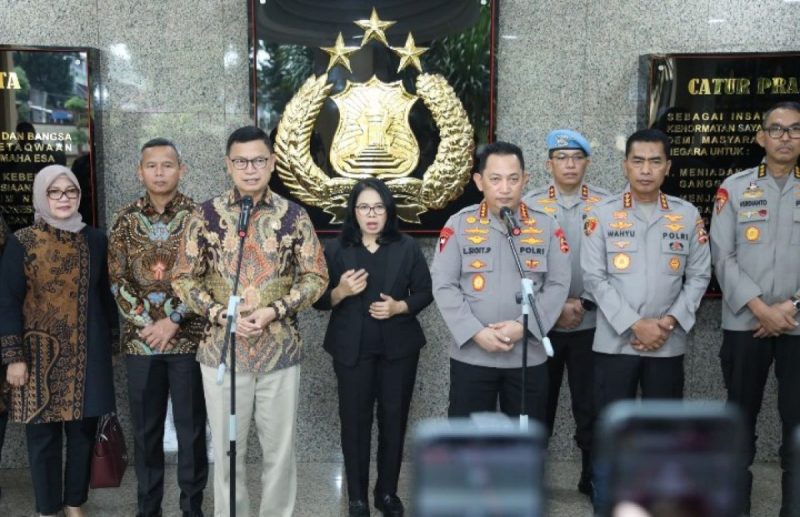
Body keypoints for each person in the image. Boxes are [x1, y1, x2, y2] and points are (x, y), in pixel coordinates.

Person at [172, 125, 328, 517]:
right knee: (227, 453)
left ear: (272, 163)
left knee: (279, 453)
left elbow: (316, 277)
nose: (250, 169)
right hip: (223, 354)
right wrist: (219, 312)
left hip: (279, 351)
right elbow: (182, 277)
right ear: (228, 165)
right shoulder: (205, 215)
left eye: (258, 160)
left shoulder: (294, 216)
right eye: (241, 162)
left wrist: (277, 309)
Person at [580, 129, 710, 507]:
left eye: (655, 161)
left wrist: (666, 323)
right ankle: (607, 504)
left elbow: (699, 275)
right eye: (638, 161)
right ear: (625, 165)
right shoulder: (602, 214)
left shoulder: (686, 214)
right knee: (609, 428)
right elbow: (594, 278)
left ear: (668, 166)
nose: (646, 170)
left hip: (667, 345)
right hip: (614, 343)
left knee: (663, 430)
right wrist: (635, 324)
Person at [0, 165, 116, 517]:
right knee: (43, 439)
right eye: (55, 192)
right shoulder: (22, 241)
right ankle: (48, 508)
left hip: (87, 352)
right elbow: (7, 301)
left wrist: (113, 342)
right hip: (38, 355)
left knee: (82, 434)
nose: (64, 198)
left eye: (71, 191)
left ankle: (74, 502)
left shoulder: (95, 240)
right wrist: (13, 357)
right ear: (42, 195)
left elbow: (104, 296)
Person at [314, 178, 433, 517]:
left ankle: (387, 493)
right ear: (353, 211)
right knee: (354, 423)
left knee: (393, 420)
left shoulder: (406, 247)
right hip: (352, 351)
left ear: (389, 211)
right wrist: (340, 291)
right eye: (364, 207)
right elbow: (317, 300)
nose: (371, 214)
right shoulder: (336, 249)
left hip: (399, 350)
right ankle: (357, 497)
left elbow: (425, 292)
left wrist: (400, 307)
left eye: (378, 207)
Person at [431, 141, 570, 421]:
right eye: (495, 179)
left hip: (527, 357)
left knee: (526, 440)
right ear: (479, 181)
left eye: (513, 179)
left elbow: (558, 284)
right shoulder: (459, 224)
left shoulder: (546, 225)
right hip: (473, 355)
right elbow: (444, 284)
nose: (505, 188)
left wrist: (523, 327)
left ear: (525, 180)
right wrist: (476, 332)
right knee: (467, 439)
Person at [710, 100, 800, 516]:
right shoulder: (735, 187)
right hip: (745, 323)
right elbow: (721, 255)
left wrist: (790, 308)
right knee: (740, 415)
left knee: (796, 421)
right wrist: (761, 309)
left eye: (795, 129)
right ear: (761, 137)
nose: (786, 137)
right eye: (777, 129)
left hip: (797, 325)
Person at [109, 138, 208, 517]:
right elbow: (117, 280)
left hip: (188, 341)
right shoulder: (124, 220)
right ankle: (148, 509)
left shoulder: (200, 217)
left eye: (167, 165)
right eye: (152, 166)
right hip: (141, 344)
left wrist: (174, 320)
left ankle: (191, 508)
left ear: (181, 170)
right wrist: (148, 324)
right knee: (146, 431)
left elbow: (206, 276)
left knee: (191, 429)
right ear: (140, 172)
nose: (160, 172)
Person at [522, 129, 609, 497]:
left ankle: (591, 474)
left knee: (591, 404)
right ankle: (534, 477)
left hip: (591, 322)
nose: (569, 164)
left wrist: (584, 302)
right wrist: (554, 309)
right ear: (549, 164)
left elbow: (613, 263)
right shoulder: (529, 205)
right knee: (538, 403)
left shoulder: (607, 204)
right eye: (562, 158)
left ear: (587, 162)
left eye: (577, 157)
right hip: (544, 325)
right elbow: (521, 264)